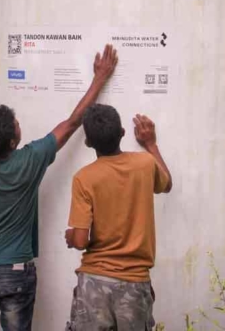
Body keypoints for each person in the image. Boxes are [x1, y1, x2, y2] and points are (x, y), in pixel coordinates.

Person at [0, 44, 119, 331]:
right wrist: (99, 78)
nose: (17, 122)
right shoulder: (30, 160)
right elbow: (74, 122)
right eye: (15, 122)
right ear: (13, 140)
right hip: (16, 272)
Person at [64, 104, 173, 331]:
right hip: (135, 281)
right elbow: (167, 184)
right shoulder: (145, 164)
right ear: (123, 132)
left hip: (94, 279)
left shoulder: (84, 178)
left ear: (88, 142)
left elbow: (81, 241)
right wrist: (151, 144)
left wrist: (72, 236)